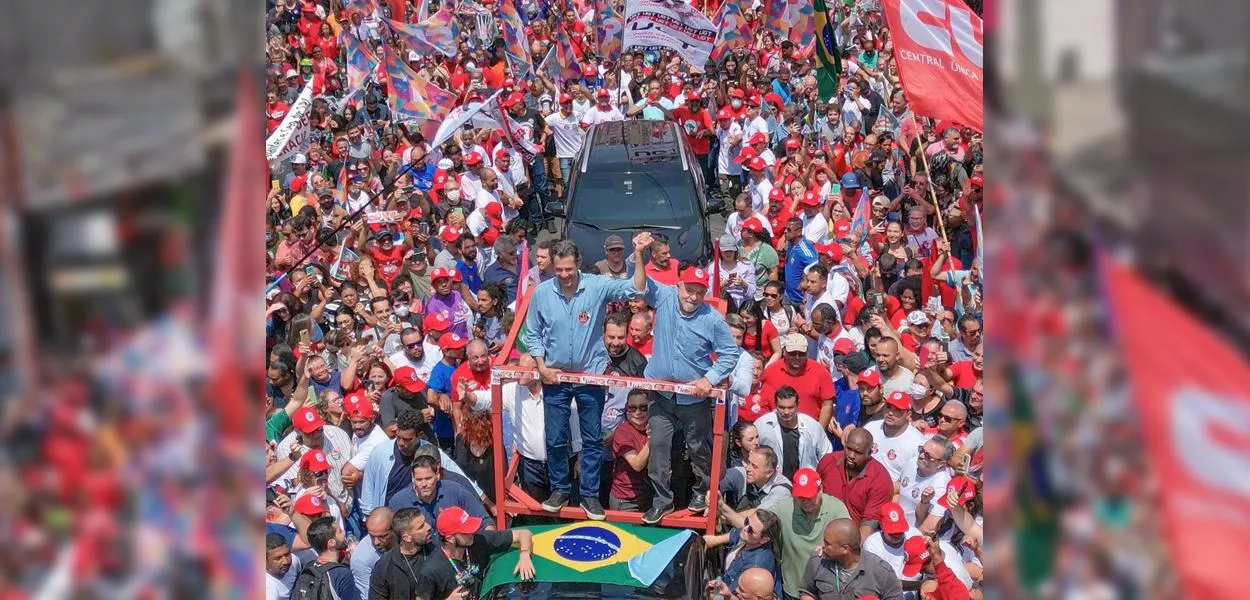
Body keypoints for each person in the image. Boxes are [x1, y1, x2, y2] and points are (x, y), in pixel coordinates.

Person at [522, 236, 649, 519]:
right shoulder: (542, 293)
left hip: (590, 375)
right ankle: (560, 489)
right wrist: (541, 367)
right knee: (555, 438)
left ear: (578, 264)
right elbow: (532, 332)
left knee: (592, 439)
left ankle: (590, 496)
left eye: (569, 269)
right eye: (559, 270)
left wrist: (639, 254)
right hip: (555, 376)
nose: (565, 275)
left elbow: (636, 287)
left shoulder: (596, 285)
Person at [632, 234, 742, 523]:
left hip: (694, 397)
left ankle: (702, 491)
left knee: (698, 448)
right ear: (677, 285)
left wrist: (710, 378)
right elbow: (640, 286)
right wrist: (639, 253)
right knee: (657, 447)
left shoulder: (713, 319)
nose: (692, 296)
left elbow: (731, 354)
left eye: (699, 291)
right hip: (662, 394)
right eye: (688, 289)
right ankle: (662, 501)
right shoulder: (665, 296)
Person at [413, 507, 536, 599]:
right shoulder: (430, 571)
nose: (472, 531)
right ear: (450, 538)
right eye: (466, 531)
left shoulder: (479, 540)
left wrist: (524, 555)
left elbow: (524, 533)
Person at [770, 468, 851, 599]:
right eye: (801, 497)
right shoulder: (783, 508)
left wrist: (830, 545)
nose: (806, 501)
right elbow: (757, 521)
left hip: (826, 593)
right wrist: (724, 508)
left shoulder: (836, 509)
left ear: (821, 490)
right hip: (793, 591)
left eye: (810, 496)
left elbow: (850, 538)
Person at [798, 519, 904, 600]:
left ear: (845, 549)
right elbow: (807, 592)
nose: (822, 546)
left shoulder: (881, 572)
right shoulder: (817, 561)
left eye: (827, 543)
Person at [815, 427, 894, 537]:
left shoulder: (880, 480)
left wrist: (853, 550)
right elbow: (813, 496)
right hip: (819, 529)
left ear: (870, 453)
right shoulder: (828, 462)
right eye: (849, 449)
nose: (851, 456)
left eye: (858, 452)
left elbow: (869, 524)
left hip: (852, 538)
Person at [387, 454, 492, 531]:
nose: (424, 484)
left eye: (428, 478)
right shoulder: (399, 502)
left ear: (437, 475)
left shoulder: (455, 491)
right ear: (412, 478)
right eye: (419, 480)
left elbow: (485, 523)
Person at [753, 386, 833, 480]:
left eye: (790, 407)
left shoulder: (812, 427)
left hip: (806, 483)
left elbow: (826, 455)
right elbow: (751, 451)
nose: (786, 412)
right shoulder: (762, 425)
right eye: (782, 407)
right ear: (775, 405)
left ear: (797, 404)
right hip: (772, 483)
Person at [703, 510, 784, 600]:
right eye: (746, 521)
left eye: (750, 530)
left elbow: (741, 594)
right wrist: (715, 540)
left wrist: (725, 595)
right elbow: (736, 534)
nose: (745, 528)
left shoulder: (755, 566)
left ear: (764, 540)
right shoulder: (750, 538)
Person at [760, 333, 835, 429]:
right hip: (778, 429)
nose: (797, 357)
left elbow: (827, 405)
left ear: (807, 352)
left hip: (810, 429)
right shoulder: (770, 372)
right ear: (784, 351)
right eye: (792, 353)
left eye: (801, 353)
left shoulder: (821, 372)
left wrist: (819, 432)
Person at [862, 391, 927, 491]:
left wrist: (881, 490)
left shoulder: (917, 442)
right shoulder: (870, 428)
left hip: (892, 491)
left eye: (898, 410)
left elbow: (914, 481)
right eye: (888, 407)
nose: (890, 413)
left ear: (908, 414)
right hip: (863, 482)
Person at [369, 508, 435, 600]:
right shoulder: (385, 567)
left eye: (425, 522)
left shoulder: (435, 550)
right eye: (421, 526)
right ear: (407, 538)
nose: (428, 527)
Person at [718, 446, 792, 526]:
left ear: (769, 473)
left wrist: (724, 517)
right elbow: (717, 481)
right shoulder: (745, 474)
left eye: (754, 466)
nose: (748, 468)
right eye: (748, 463)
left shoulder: (781, 491)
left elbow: (756, 517)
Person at [291, 516, 360, 600]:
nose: (344, 532)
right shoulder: (342, 574)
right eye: (340, 531)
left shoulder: (309, 567)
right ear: (331, 543)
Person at [900, 436, 956, 534]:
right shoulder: (913, 462)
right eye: (921, 450)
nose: (921, 456)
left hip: (913, 533)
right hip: (896, 522)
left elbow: (929, 529)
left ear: (941, 464)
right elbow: (897, 487)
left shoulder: (942, 485)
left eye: (928, 456)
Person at [609, 389, 652, 511]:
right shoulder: (623, 431)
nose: (638, 412)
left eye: (643, 407)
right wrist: (651, 440)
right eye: (632, 408)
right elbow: (637, 464)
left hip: (650, 496)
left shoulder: (655, 426)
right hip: (626, 501)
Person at [350, 507, 394, 599]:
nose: (376, 542)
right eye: (371, 536)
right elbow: (369, 596)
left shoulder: (404, 537)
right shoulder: (361, 559)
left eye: (382, 536)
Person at [266, 533, 302, 600]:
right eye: (278, 558)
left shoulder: (294, 561)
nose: (286, 561)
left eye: (287, 554)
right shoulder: (268, 590)